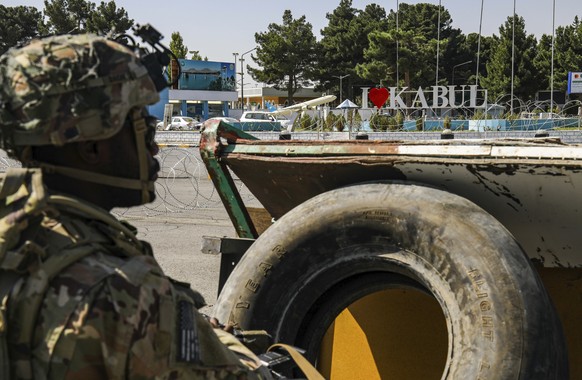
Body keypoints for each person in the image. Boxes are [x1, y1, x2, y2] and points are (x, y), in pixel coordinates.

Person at [0, 31, 267, 379]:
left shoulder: (19, 236)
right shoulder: (125, 293)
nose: (154, 149)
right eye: (144, 128)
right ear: (92, 147)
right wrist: (221, 342)